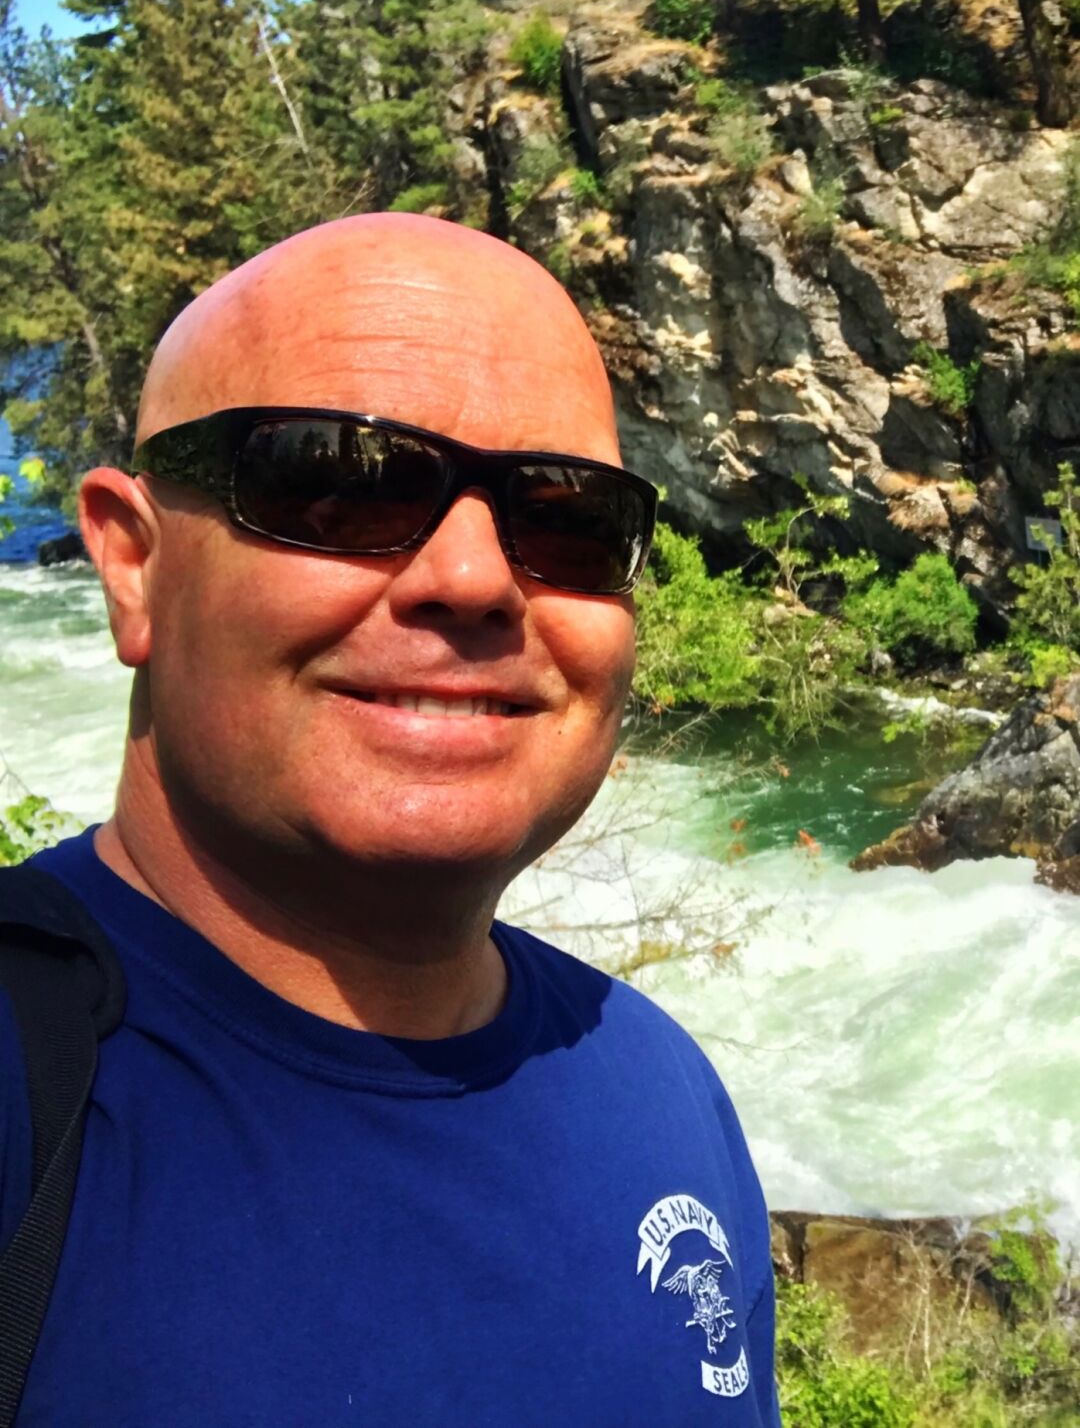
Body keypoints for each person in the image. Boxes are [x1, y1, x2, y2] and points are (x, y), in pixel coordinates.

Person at [0, 214, 779, 1425]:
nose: (473, 579)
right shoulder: (27, 1071)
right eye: (341, 484)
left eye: (566, 515)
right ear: (132, 564)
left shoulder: (663, 1089)